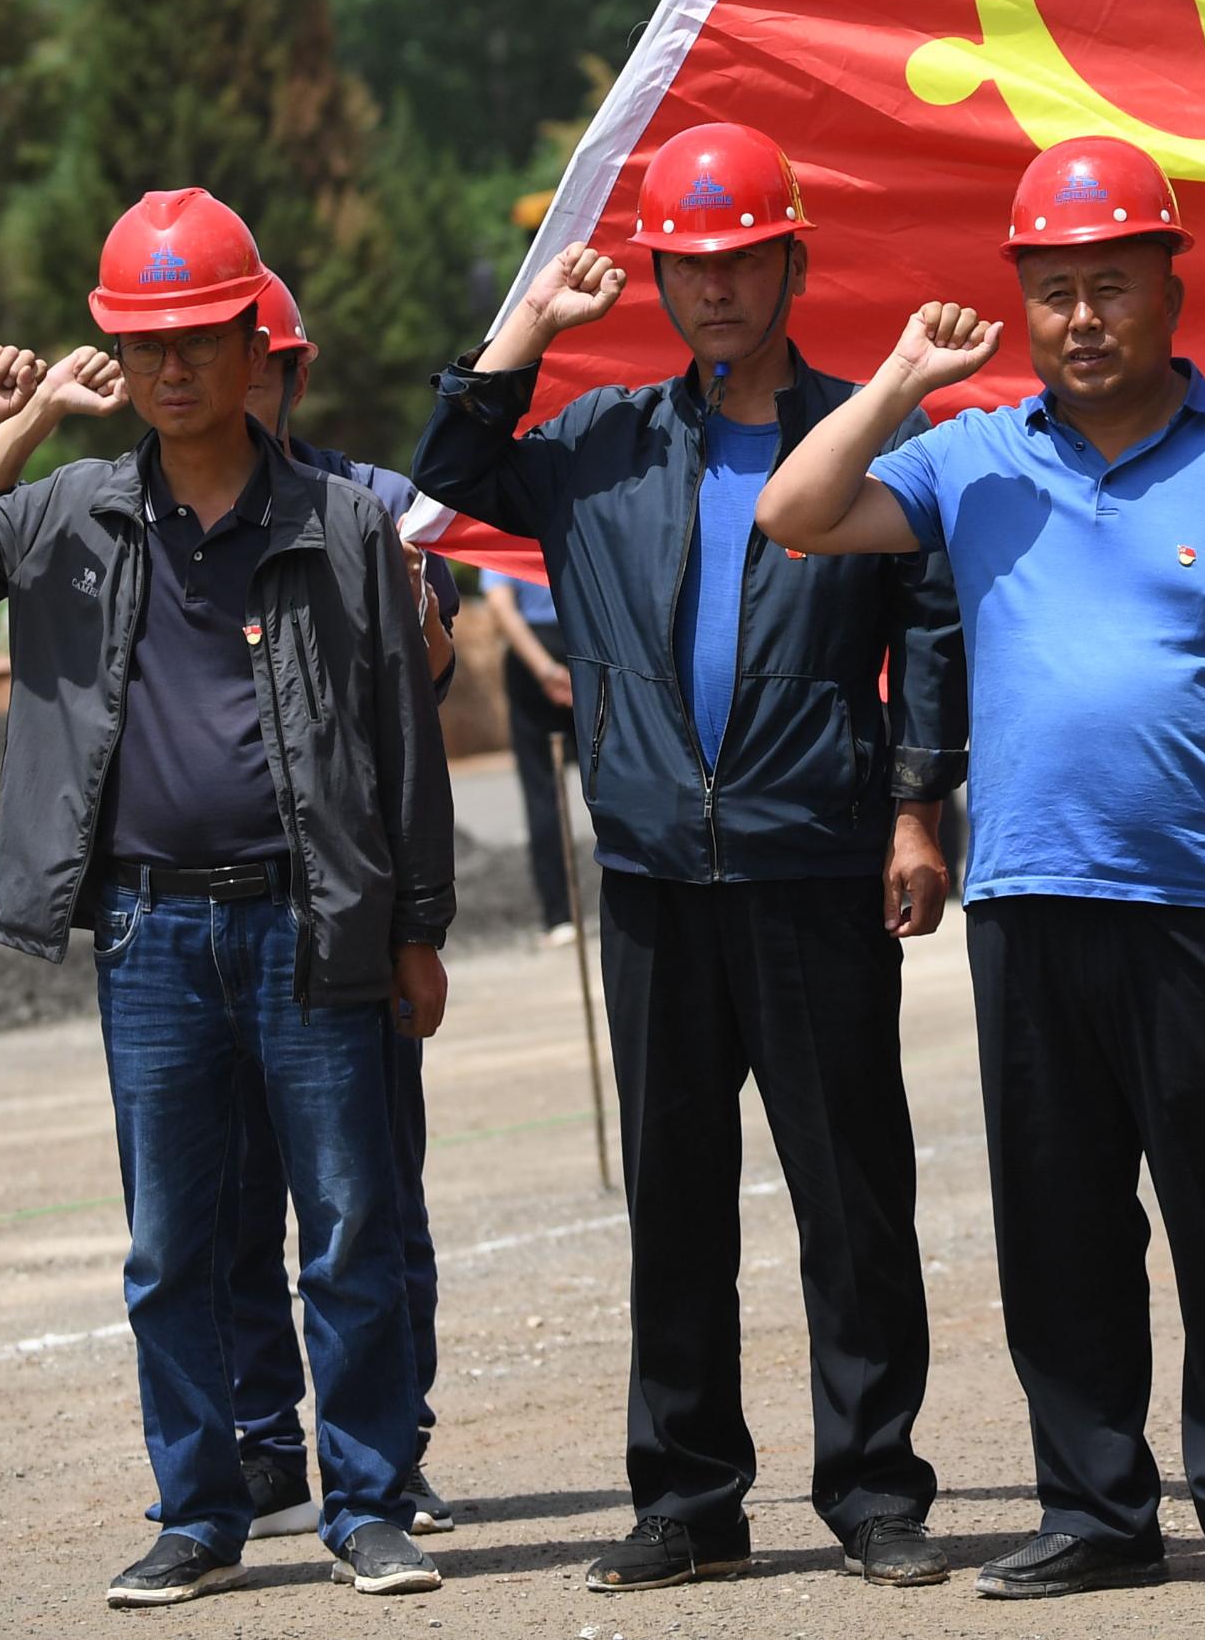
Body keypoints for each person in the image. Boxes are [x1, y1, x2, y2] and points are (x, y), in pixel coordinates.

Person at [755, 134, 1205, 1607]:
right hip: (1033, 898)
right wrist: (901, 376)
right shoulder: (972, 456)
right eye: (1052, 289)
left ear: (1169, 285)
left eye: (1109, 284)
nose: (1081, 316)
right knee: (1059, 1220)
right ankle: (1096, 1503)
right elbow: (795, 513)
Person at [0, 187, 456, 1608]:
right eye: (143, 342)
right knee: (171, 1241)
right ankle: (198, 1510)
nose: (171, 367)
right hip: (150, 931)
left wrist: (417, 927)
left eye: (198, 337)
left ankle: (367, 1503)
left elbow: (398, 736)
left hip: (317, 922)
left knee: (352, 1222)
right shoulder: (65, 516)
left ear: (255, 346)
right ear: (114, 357)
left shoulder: (347, 524)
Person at [414, 122, 966, 1594]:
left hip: (814, 858)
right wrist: (531, 322)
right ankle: (688, 1496)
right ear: (658, 270)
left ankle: (873, 1488)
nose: (713, 288)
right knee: (675, 1196)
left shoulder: (864, 439)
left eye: (740, 261)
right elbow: (450, 467)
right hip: (656, 875)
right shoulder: (599, 445)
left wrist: (919, 806)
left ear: (791, 262)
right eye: (689, 264)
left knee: (853, 1192)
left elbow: (929, 630)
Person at [473, 570, 580, 938]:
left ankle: (559, 915)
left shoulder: (509, 522)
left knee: (542, 794)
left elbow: (501, 607)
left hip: (534, 653)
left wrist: (543, 669)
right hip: (577, 648)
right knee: (611, 782)